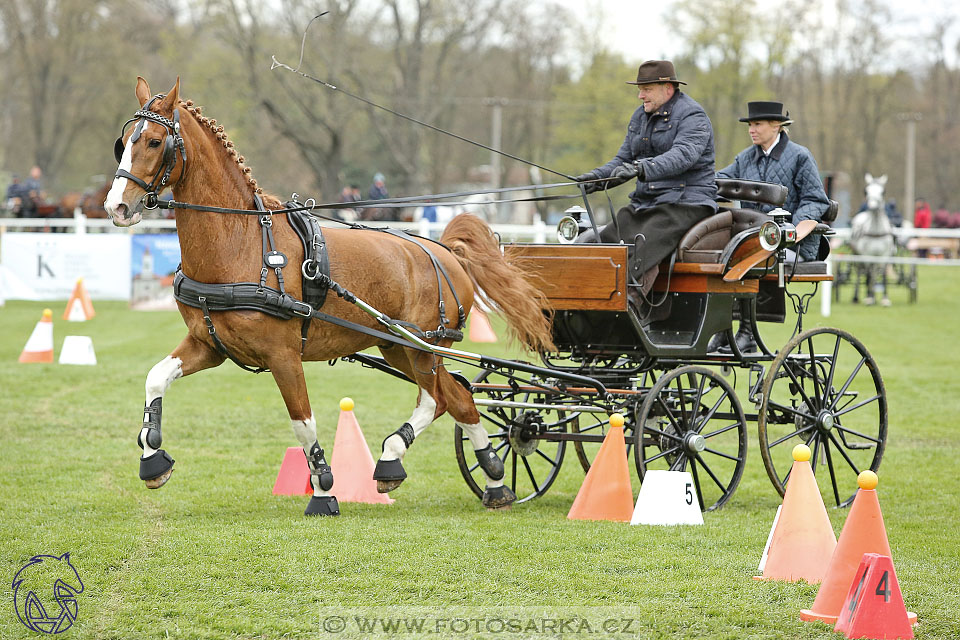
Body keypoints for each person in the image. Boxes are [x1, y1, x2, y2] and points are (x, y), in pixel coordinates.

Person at [574, 60, 718, 305]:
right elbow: (622, 159)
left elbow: (683, 156)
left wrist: (641, 168)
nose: (640, 95)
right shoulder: (641, 116)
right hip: (647, 204)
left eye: (647, 89)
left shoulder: (693, 116)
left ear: (667, 88)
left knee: (642, 248)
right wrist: (597, 179)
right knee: (603, 243)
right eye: (640, 89)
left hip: (685, 204)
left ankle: (628, 306)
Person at [710, 100, 831, 353]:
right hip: (753, 242)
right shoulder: (744, 159)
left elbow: (816, 199)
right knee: (717, 259)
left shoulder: (800, 156)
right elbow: (720, 183)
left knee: (751, 260)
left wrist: (791, 232)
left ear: (776, 126)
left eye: (757, 124)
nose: (751, 130)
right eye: (750, 125)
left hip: (794, 244)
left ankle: (747, 335)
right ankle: (722, 330)